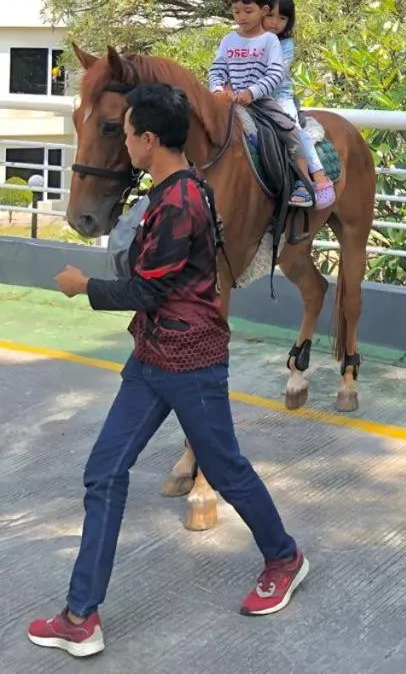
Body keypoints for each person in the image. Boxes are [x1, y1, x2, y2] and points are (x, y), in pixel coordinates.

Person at [28, 83, 308, 659]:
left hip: (191, 360)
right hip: (153, 357)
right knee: (103, 473)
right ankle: (82, 616)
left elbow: (148, 289)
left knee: (227, 471)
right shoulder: (168, 192)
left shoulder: (180, 201)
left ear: (150, 139)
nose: (123, 144)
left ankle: (285, 557)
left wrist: (84, 287)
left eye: (127, 134)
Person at [208, 0, 313, 207]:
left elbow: (275, 73)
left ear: (263, 11)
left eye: (248, 11)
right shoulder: (228, 40)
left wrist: (252, 92)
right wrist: (217, 89)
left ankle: (304, 182)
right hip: (231, 102)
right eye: (236, 11)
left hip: (262, 101)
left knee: (290, 132)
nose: (241, 17)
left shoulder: (270, 40)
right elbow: (217, 69)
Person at [264, 0, 335, 209]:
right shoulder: (248, 41)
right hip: (249, 99)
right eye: (270, 16)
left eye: (282, 17)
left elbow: (278, 73)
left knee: (295, 131)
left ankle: (315, 177)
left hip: (278, 98)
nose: (276, 22)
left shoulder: (285, 45)